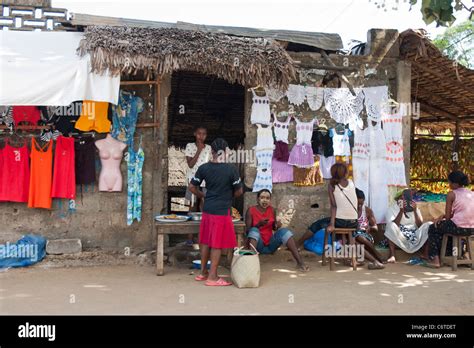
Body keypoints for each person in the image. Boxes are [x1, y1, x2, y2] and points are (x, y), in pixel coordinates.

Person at [189, 138, 243, 286]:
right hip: (221, 211)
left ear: (211, 152)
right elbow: (239, 191)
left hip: (207, 210)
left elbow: (192, 187)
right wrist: (228, 195)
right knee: (217, 244)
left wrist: (204, 195)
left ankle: (202, 273)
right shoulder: (231, 169)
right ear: (225, 152)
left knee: (206, 240)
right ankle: (213, 277)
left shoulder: (204, 168)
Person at [245, 189, 309, 272]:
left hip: (270, 245)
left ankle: (300, 263)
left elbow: (273, 228)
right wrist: (258, 225)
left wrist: (276, 226)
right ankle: (251, 266)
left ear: (270, 200)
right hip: (257, 246)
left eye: (267, 198)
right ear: (257, 199)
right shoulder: (251, 210)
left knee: (284, 232)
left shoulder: (272, 210)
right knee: (254, 229)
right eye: (262, 197)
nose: (265, 200)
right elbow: (248, 231)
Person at [424, 171, 474, 268]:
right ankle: (464, 254)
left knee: (433, 228)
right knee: (447, 228)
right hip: (471, 228)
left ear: (455, 183)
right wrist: (443, 216)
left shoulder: (451, 194)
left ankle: (435, 260)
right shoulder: (471, 193)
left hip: (458, 228)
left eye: (450, 182)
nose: (449, 184)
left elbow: (448, 218)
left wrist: (442, 218)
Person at [384, 189, 432, 263]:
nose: (404, 200)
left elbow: (420, 225)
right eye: (402, 198)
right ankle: (392, 255)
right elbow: (394, 225)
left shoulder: (414, 208)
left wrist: (415, 211)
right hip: (399, 236)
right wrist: (401, 211)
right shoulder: (391, 209)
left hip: (415, 235)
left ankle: (425, 254)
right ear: (397, 199)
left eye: (406, 197)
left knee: (429, 225)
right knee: (390, 225)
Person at [184, 126, 211, 245]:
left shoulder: (209, 148)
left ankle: (202, 237)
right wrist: (199, 150)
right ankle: (189, 237)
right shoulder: (190, 146)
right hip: (192, 181)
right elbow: (190, 164)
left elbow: (209, 164)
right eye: (199, 133)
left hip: (205, 181)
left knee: (204, 207)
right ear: (195, 134)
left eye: (204, 134)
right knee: (191, 206)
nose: (201, 136)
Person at [354, 188, 386, 269]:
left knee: (359, 237)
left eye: (361, 204)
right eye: (357, 204)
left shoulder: (367, 211)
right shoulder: (350, 210)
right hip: (353, 236)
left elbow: (375, 227)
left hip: (366, 236)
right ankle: (376, 259)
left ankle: (376, 255)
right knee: (355, 240)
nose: (359, 206)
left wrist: (370, 228)